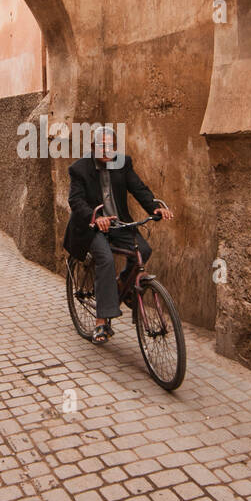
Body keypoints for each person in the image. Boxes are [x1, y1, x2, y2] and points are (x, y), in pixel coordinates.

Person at [62, 125, 174, 344]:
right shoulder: (79, 168)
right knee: (105, 259)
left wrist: (154, 208)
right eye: (102, 145)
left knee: (143, 250)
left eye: (111, 146)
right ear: (93, 147)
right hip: (91, 226)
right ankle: (101, 323)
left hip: (118, 223)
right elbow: (76, 201)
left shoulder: (123, 163)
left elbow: (138, 188)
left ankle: (123, 285)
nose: (107, 150)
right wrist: (95, 218)